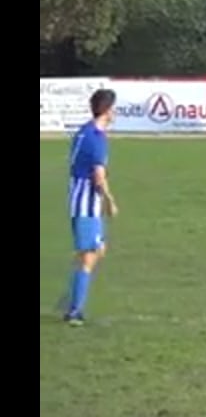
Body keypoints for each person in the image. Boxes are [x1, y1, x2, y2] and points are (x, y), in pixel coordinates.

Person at [61, 88, 119, 326]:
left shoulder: (83, 131)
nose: (115, 112)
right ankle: (74, 310)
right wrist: (109, 199)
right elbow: (98, 175)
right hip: (87, 204)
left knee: (97, 250)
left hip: (78, 197)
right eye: (113, 108)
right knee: (88, 256)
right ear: (107, 110)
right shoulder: (96, 138)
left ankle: (74, 296)